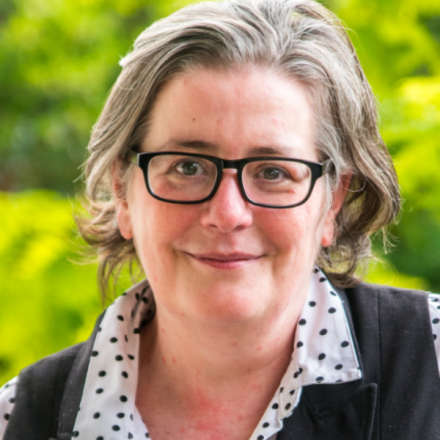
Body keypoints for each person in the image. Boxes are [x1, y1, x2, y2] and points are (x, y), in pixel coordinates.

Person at [1, 0, 440, 439]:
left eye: (273, 172)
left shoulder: (432, 360)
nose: (228, 214)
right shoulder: (18, 419)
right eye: (187, 167)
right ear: (123, 191)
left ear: (333, 202)